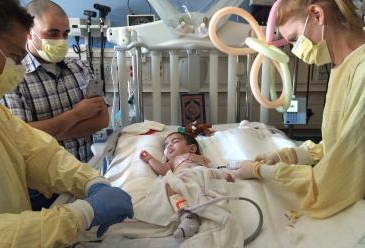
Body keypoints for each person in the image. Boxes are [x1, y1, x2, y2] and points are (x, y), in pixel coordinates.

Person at [0, 0, 133, 247]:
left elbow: (37, 149)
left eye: (66, 34)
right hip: (37, 197)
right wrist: (80, 215)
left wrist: (91, 181)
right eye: (15, 56)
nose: (16, 67)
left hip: (71, 173)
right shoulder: (17, 82)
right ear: (31, 34)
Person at [237, 0, 365, 219]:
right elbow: (340, 142)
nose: (297, 50)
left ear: (317, 14)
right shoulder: (343, 65)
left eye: (295, 39)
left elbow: (338, 177)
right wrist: (292, 155)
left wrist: (263, 172)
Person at [1, 0, 109, 209]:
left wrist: (46, 131)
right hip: (39, 189)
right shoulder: (12, 76)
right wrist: (76, 115)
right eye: (52, 33)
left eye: (65, 34)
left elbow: (102, 119)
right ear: (29, 32)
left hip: (83, 175)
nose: (61, 40)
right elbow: (20, 139)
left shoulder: (79, 67)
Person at [140, 132, 237, 239]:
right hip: (183, 179)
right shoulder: (172, 161)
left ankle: (207, 208)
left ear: (192, 148)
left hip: (203, 174)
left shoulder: (200, 157)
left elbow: (214, 167)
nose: (169, 146)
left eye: (175, 141)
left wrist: (224, 173)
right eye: (166, 145)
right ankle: (187, 215)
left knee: (215, 181)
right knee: (169, 185)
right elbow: (163, 171)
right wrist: (150, 159)